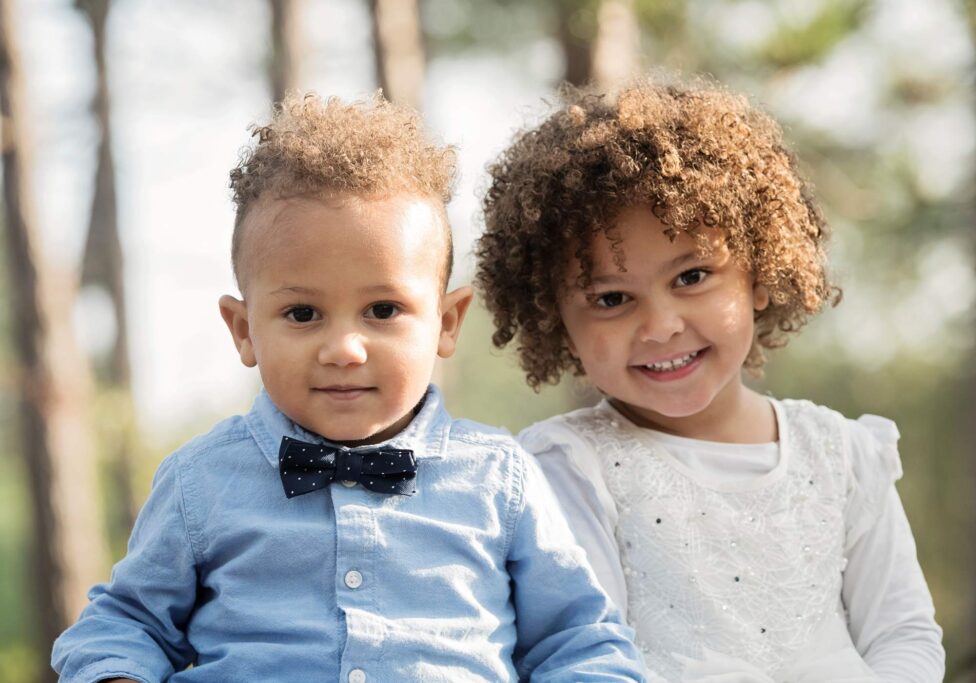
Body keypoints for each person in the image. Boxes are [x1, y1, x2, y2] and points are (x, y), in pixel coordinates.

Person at [52, 93, 644, 683]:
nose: (343, 349)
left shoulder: (499, 481)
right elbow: (125, 624)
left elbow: (578, 641)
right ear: (243, 330)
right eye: (303, 314)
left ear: (445, 322)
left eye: (382, 310)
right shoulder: (201, 483)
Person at [475, 79, 945, 682]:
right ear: (557, 321)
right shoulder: (567, 467)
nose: (661, 326)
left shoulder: (843, 453)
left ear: (759, 273)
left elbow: (903, 634)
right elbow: (581, 655)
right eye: (612, 297)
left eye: (692, 276)